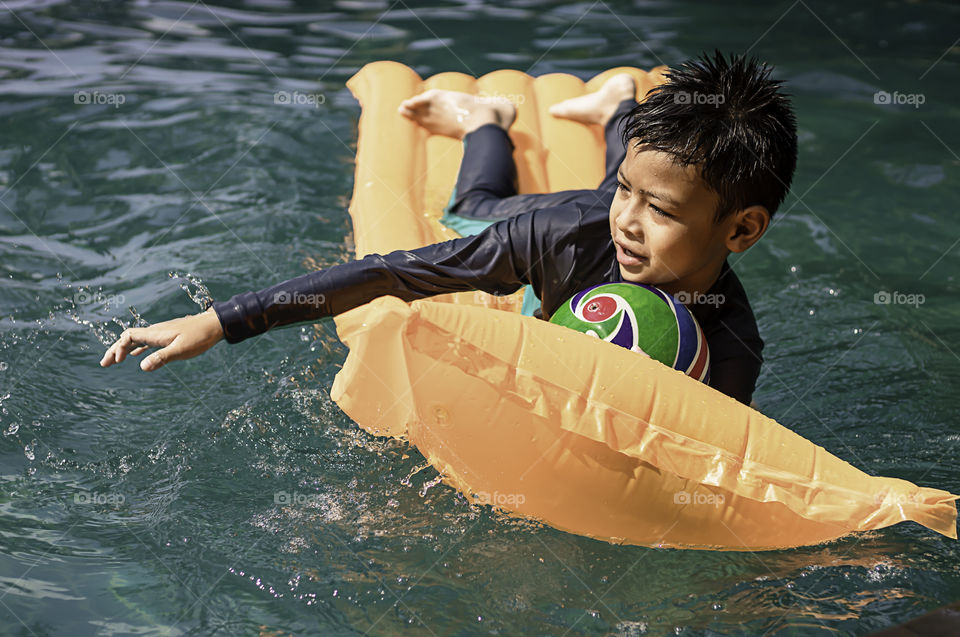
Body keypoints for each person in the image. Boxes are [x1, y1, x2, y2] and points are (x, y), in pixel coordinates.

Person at [100, 51, 797, 406]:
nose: (631, 224)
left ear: (742, 231)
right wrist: (222, 320)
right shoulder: (567, 234)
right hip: (547, 222)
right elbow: (393, 271)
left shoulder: (731, 339)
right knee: (480, 199)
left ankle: (618, 105)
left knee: (627, 180)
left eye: (664, 212)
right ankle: (489, 120)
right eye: (630, 195)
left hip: (597, 215)